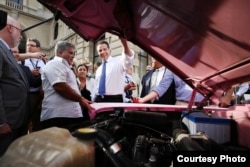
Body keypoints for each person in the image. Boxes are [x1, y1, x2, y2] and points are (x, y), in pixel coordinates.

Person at [40, 41, 93, 130]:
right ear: (60, 52)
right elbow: (60, 87)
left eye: (74, 53)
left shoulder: (66, 67)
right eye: (71, 53)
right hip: (58, 116)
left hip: (70, 116)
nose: (73, 56)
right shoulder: (54, 64)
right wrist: (81, 99)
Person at [0, 13, 29, 156]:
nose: (21, 36)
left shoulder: (6, 51)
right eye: (20, 31)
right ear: (10, 28)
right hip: (6, 123)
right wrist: (1, 122)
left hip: (16, 121)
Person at [93, 37, 134, 102]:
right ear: (98, 53)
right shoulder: (99, 69)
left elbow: (128, 59)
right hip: (98, 99)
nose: (102, 52)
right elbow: (95, 88)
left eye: (105, 49)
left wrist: (124, 44)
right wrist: (93, 100)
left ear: (109, 50)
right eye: (100, 50)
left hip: (115, 99)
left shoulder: (118, 61)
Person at [20, 38, 46, 132]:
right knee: (25, 120)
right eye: (27, 45)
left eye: (31, 45)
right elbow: (15, 58)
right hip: (27, 94)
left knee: (37, 121)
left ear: (38, 48)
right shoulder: (23, 60)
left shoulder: (43, 61)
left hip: (40, 94)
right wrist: (29, 72)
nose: (29, 47)